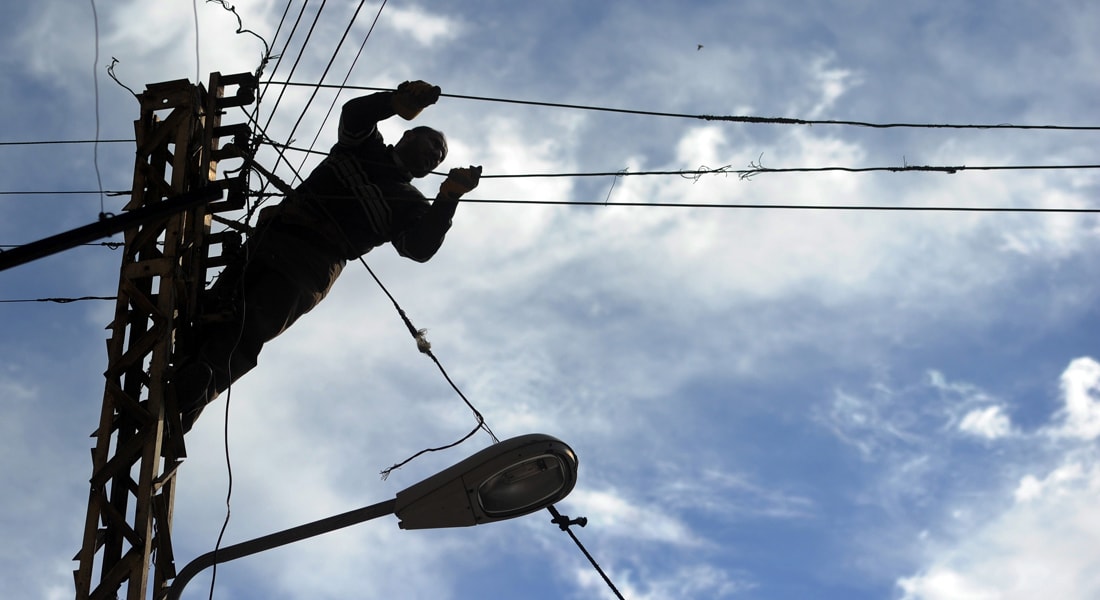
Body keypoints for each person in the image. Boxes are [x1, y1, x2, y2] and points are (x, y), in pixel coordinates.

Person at [171, 80, 481, 432]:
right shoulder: (364, 147)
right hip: (273, 239)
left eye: (440, 157)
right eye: (433, 145)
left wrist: (449, 197)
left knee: (249, 329)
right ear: (408, 135)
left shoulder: (410, 204)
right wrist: (397, 102)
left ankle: (191, 395)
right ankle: (180, 386)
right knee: (212, 311)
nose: (436, 156)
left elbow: (419, 248)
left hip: (308, 268)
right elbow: (354, 115)